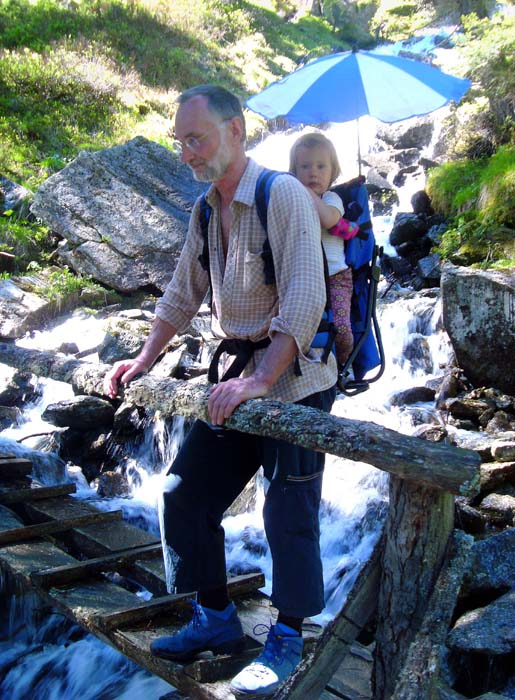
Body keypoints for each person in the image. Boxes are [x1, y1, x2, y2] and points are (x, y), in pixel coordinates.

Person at [104, 84, 337, 697]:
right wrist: (143, 357)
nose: (186, 151)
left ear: (236, 131)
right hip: (241, 379)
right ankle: (215, 616)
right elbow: (181, 294)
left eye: (196, 137)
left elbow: (306, 299)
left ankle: (287, 636)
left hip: (295, 385)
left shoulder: (281, 194)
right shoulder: (207, 209)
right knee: (184, 494)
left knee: (288, 511)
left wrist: (263, 379)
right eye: (179, 141)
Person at [289, 132, 354, 370]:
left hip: (336, 277)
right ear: (294, 172)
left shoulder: (331, 198)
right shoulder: (291, 200)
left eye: (320, 166)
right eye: (304, 166)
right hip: (304, 277)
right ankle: (306, 366)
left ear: (332, 172)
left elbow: (328, 220)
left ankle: (344, 366)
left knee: (341, 327)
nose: (312, 172)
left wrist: (306, 193)